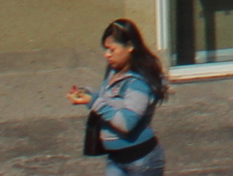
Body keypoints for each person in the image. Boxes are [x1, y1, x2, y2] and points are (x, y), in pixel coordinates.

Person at [69, 18, 167, 172]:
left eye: (111, 50)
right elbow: (108, 103)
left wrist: (94, 101)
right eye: (105, 49)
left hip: (142, 161)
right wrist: (87, 95)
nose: (106, 55)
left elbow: (126, 123)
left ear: (130, 46)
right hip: (116, 159)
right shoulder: (114, 72)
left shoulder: (137, 83)